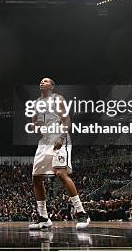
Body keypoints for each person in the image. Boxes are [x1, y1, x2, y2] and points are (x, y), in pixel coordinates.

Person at [28, 77, 90, 230]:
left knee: (61, 173)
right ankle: (43, 217)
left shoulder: (58, 98)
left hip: (58, 136)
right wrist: (35, 123)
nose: (42, 82)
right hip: (45, 140)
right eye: (41, 81)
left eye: (46, 81)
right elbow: (34, 123)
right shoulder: (36, 102)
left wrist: (61, 137)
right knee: (36, 178)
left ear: (52, 86)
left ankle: (81, 213)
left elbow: (67, 120)